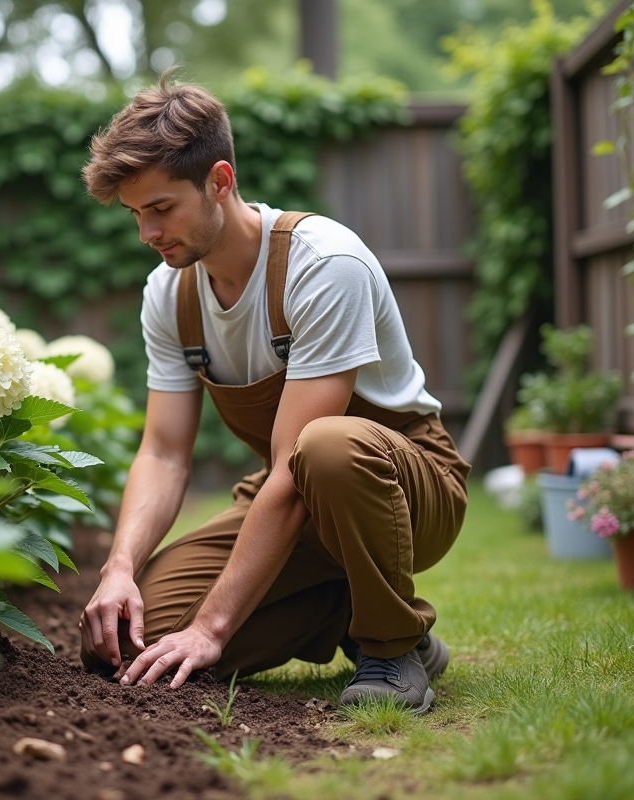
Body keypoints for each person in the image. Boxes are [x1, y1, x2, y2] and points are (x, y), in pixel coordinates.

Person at [75, 71, 471, 713]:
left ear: (220, 181)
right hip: (292, 496)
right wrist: (118, 568)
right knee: (132, 641)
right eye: (135, 214)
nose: (146, 233)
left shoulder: (323, 265)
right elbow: (164, 453)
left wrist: (213, 628)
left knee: (327, 447)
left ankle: (392, 645)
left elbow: (297, 462)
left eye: (161, 208)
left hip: (404, 484)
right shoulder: (169, 295)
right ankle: (349, 612)